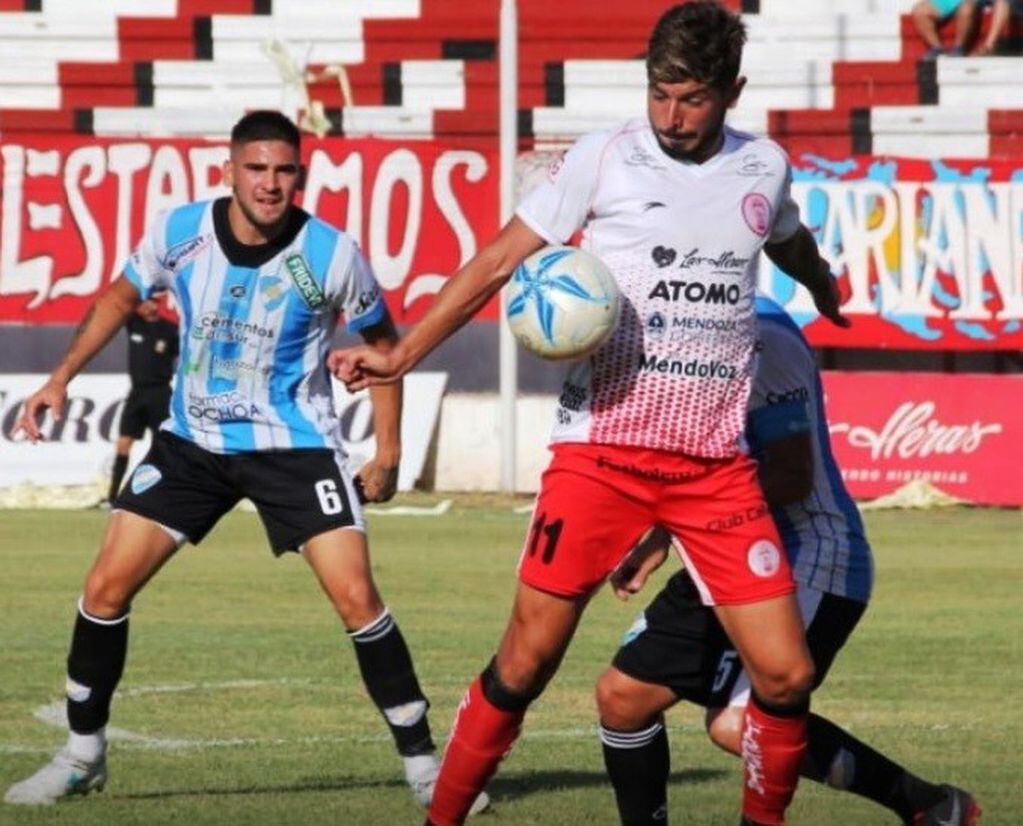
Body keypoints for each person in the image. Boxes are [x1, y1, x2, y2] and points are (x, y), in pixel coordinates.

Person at [332, 4, 850, 824]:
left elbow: (784, 239)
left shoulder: (763, 168)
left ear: (732, 93)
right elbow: (500, 258)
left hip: (714, 471)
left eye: (691, 100)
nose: (671, 117)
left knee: (786, 676)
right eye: (659, 94)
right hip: (599, 457)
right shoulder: (603, 159)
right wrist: (400, 355)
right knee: (524, 664)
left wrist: (818, 282)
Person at [5, 110, 488, 816]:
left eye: (284, 170)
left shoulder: (329, 255)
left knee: (357, 599)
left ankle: (425, 768)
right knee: (104, 588)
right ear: (228, 170)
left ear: (300, 174)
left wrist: (386, 454)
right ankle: (82, 756)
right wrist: (60, 377)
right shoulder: (181, 232)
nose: (270, 183)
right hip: (192, 444)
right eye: (256, 168)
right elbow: (120, 293)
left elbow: (386, 349)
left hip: (295, 449)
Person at [596, 295, 981, 826]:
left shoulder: (763, 337)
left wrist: (676, 523)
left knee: (736, 725)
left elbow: (791, 476)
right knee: (623, 698)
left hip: (809, 553)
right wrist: (661, 535)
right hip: (723, 547)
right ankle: (932, 806)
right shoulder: (668, 323)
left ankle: (926, 805)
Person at [99, 297, 178, 507]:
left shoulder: (169, 330)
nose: (144, 305)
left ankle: (161, 495)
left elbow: (185, 356)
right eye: (141, 302)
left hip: (159, 392)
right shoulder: (134, 324)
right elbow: (121, 303)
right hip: (137, 393)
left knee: (161, 445)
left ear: (156, 304)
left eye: (148, 301)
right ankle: (113, 496)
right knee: (124, 443)